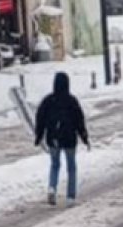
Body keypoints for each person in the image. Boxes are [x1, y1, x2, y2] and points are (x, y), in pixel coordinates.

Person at [34, 72, 89, 206]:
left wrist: (39, 135)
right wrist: (84, 136)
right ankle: (70, 197)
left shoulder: (48, 101)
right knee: (71, 167)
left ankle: (52, 188)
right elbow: (79, 120)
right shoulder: (72, 101)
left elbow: (40, 118)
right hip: (69, 138)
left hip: (53, 137)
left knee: (54, 165)